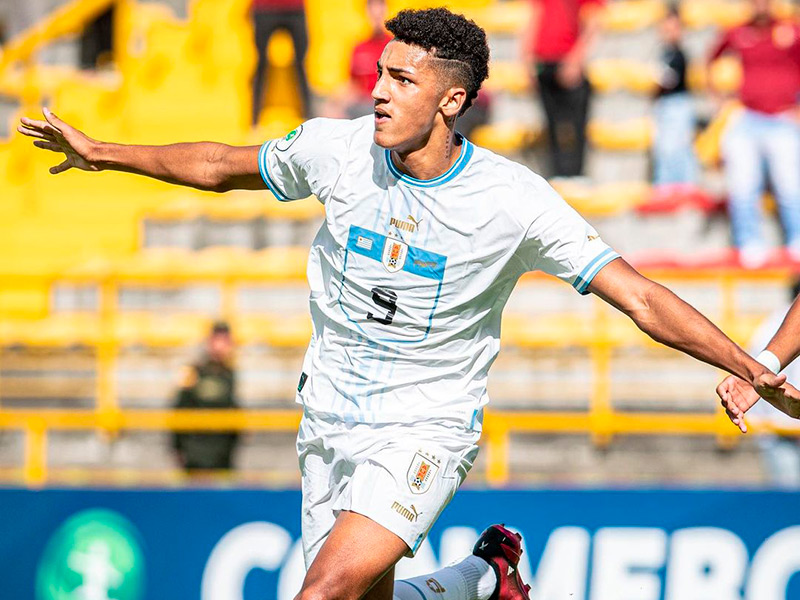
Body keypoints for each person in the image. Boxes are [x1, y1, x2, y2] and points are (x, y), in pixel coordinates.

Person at [19, 8, 791, 600]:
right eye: (381, 74)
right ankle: (482, 580)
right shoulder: (339, 149)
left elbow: (640, 296)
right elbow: (223, 164)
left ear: (452, 98)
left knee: (320, 593)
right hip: (328, 416)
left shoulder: (513, 201)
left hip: (424, 426)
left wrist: (750, 366)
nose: (380, 92)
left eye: (403, 81)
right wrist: (103, 153)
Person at [707, 0, 800, 268]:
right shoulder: (737, 33)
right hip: (748, 117)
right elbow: (712, 58)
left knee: (790, 184)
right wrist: (719, 98)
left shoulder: (790, 31)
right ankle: (748, 242)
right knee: (743, 184)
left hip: (783, 118)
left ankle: (796, 238)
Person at [523, 0, 604, 178]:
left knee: (575, 127)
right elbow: (534, 16)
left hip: (568, 61)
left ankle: (576, 176)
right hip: (544, 62)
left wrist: (575, 59)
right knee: (551, 125)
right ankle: (558, 177)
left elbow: (593, 22)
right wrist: (527, 56)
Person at [172, 321, 240, 472]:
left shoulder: (230, 374)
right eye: (218, 340)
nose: (221, 346)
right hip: (195, 455)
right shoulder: (194, 371)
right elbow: (179, 407)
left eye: (225, 341)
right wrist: (178, 448)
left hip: (222, 456)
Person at [652, 4, 698, 188]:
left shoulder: (679, 55)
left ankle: (683, 187)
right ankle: (666, 187)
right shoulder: (665, 53)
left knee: (677, 148)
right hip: (666, 105)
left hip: (677, 105)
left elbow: (668, 80)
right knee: (664, 149)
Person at [251, 0, 312, 125]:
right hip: (265, 8)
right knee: (260, 65)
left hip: (294, 8)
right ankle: (253, 120)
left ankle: (309, 117)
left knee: (301, 65)